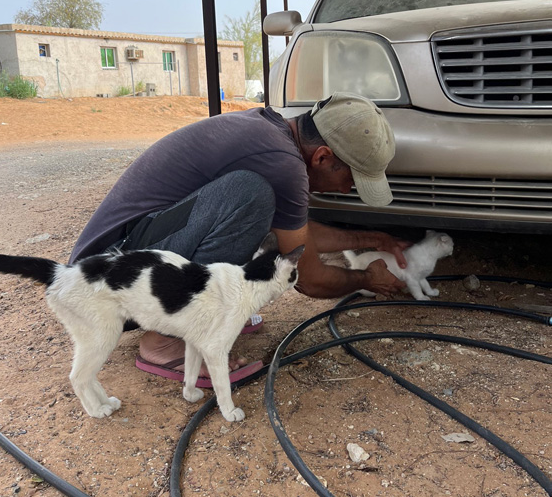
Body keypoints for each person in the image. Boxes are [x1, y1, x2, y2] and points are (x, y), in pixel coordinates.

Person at [69, 92, 408, 384]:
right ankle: (164, 342)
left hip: (121, 265)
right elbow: (309, 279)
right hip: (106, 287)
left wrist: (374, 239)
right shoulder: (283, 164)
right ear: (322, 157)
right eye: (352, 179)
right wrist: (367, 279)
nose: (348, 190)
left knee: (258, 202)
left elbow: (296, 235)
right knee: (250, 195)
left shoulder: (271, 135)